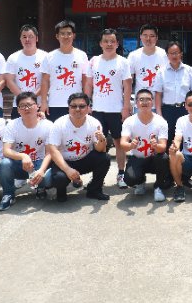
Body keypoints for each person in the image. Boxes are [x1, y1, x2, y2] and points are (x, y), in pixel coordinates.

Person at [86, 28, 133, 188]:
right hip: (97, 110)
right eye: (105, 41)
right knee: (99, 143)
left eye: (112, 41)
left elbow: (127, 86)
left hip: (116, 109)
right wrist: (87, 105)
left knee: (119, 142)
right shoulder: (93, 61)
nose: (109, 44)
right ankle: (97, 177)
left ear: (117, 43)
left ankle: (121, 174)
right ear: (100, 43)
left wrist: (126, 108)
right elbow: (89, 84)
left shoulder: (123, 62)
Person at [45, 92, 111, 202]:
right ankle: (61, 192)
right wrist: (67, 170)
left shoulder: (94, 123)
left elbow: (100, 150)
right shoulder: (59, 124)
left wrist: (102, 140)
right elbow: (53, 150)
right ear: (68, 108)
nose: (77, 109)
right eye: (73, 106)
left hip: (84, 159)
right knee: (59, 178)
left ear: (88, 108)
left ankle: (94, 190)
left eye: (82, 106)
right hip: (65, 161)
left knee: (105, 158)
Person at [0, 91, 55, 211]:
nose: (26, 108)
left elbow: (49, 153)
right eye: (22, 106)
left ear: (37, 106)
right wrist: (23, 156)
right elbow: (6, 151)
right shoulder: (12, 125)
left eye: (29, 105)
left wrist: (41, 170)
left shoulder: (48, 125)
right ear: (18, 110)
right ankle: (8, 194)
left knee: (49, 178)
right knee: (5, 163)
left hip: (39, 163)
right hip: (20, 164)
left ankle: (41, 187)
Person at [119, 89, 170, 202]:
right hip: (137, 158)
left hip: (154, 159)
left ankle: (158, 187)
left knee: (163, 158)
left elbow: (163, 147)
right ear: (136, 103)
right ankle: (140, 182)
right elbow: (123, 144)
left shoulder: (161, 122)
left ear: (153, 102)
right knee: (129, 179)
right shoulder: (129, 121)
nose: (145, 102)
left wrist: (156, 145)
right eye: (141, 99)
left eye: (148, 99)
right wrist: (131, 145)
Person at [41, 20, 91, 121]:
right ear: (57, 36)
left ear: (74, 35)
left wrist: (87, 103)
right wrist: (44, 102)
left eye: (69, 33)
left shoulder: (82, 55)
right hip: (55, 104)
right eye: (62, 34)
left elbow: (85, 81)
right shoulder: (49, 57)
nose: (66, 36)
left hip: (76, 104)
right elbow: (45, 81)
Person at [154, 41, 192, 148]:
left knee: (185, 140)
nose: (174, 56)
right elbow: (158, 94)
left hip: (185, 110)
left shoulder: (189, 70)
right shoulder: (161, 72)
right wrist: (159, 114)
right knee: (168, 140)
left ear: (181, 54)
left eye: (176, 53)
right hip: (167, 110)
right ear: (167, 55)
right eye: (171, 53)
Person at [2, 24, 47, 118]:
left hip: (39, 103)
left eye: (31, 36)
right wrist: (23, 98)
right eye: (24, 37)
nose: (27, 39)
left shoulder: (45, 57)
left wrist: (32, 97)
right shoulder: (13, 58)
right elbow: (9, 81)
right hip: (19, 104)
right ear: (20, 39)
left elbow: (47, 80)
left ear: (37, 38)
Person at [128, 23, 168, 97]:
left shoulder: (164, 55)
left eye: (152, 36)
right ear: (140, 37)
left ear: (157, 38)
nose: (148, 39)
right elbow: (129, 81)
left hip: (160, 100)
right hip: (141, 100)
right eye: (145, 35)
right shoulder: (133, 56)